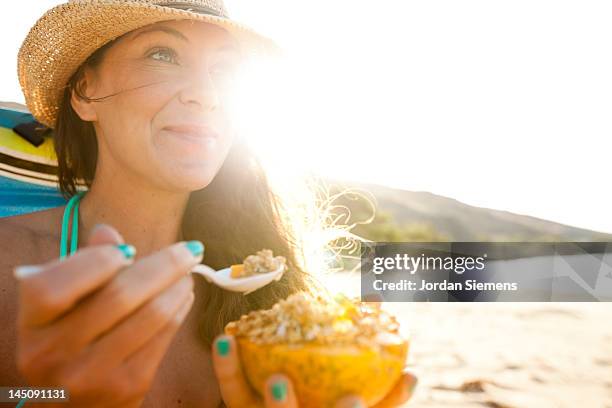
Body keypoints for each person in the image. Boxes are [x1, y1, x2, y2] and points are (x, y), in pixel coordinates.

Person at [0, 0, 417, 406]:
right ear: (86, 92)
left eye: (225, 70)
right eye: (163, 54)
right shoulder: (9, 262)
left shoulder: (275, 301)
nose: (207, 94)